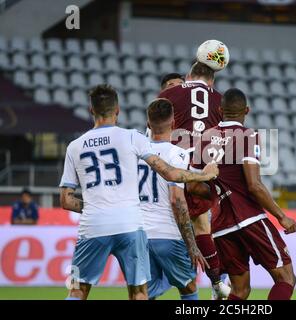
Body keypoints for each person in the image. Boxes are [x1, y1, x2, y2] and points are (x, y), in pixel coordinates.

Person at [59, 84, 218, 300]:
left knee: (77, 289)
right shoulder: (133, 138)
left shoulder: (74, 146)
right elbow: (170, 174)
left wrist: (99, 206)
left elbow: (66, 200)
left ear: (91, 110)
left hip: (93, 225)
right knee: (141, 293)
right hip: (131, 226)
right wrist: (204, 175)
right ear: (118, 110)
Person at [189, 88, 296, 300]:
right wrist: (281, 216)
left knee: (240, 291)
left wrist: (218, 192)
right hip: (250, 219)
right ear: (247, 110)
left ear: (220, 110)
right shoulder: (247, 136)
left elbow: (193, 187)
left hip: (221, 226)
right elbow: (254, 185)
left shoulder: (204, 137)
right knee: (286, 278)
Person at [158, 62, 230, 299]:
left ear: (188, 77)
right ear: (212, 81)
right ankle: (218, 281)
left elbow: (155, 131)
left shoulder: (169, 96)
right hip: (204, 171)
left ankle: (213, 281)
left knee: (187, 226)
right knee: (203, 225)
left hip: (174, 169)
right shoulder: (219, 99)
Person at [139, 98, 207, 300]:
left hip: (139, 234)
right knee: (188, 287)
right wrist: (192, 246)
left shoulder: (136, 153)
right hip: (166, 233)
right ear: (174, 123)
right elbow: (177, 200)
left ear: (148, 124)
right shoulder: (177, 154)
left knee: (145, 293)